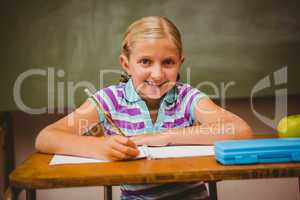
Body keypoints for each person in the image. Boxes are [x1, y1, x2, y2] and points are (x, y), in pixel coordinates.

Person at [35, 16, 253, 200]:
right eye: (145, 61)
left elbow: (241, 131)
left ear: (180, 62)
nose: (157, 74)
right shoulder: (109, 100)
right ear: (126, 63)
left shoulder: (187, 97)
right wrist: (98, 147)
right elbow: (46, 137)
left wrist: (163, 136)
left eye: (168, 62)